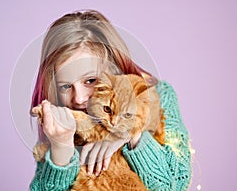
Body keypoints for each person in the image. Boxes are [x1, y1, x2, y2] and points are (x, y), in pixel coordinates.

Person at [29, 10, 191, 191]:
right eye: (65, 86)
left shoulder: (159, 95)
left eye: (90, 80)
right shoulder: (63, 116)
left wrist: (130, 133)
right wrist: (62, 147)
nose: (79, 98)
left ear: (114, 68)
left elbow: (176, 183)